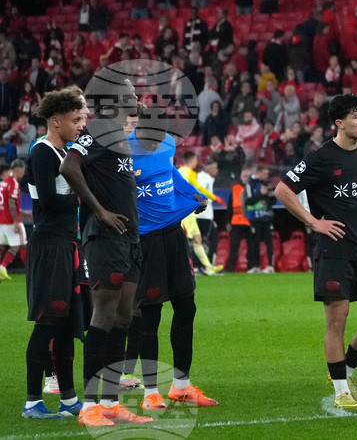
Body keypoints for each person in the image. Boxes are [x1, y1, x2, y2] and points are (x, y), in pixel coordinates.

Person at [276, 94, 357, 410]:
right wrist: (314, 222)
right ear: (339, 123)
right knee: (337, 321)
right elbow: (283, 190)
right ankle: (341, 390)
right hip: (333, 251)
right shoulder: (320, 157)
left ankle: (345, 372)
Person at [61, 69, 152, 426]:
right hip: (106, 237)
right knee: (104, 314)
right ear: (115, 98)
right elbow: (70, 167)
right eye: (129, 91)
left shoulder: (116, 132)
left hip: (129, 238)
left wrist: (136, 106)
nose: (136, 94)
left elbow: (138, 109)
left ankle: (112, 402)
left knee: (125, 317)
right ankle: (88, 405)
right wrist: (99, 211)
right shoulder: (98, 130)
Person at [126, 107, 217, 411]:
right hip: (145, 241)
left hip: (173, 235)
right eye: (153, 136)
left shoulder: (167, 144)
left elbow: (170, 174)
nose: (159, 141)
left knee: (186, 306)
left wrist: (193, 194)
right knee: (150, 315)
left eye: (162, 135)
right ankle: (150, 392)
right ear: (139, 130)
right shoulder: (123, 151)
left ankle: (181, 386)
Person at [21, 87, 87, 420]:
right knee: (47, 322)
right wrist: (85, 200)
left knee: (64, 326)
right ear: (57, 120)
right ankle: (33, 402)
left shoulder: (67, 153)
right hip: (49, 246)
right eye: (76, 119)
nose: (81, 124)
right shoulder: (43, 152)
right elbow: (46, 199)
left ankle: (69, 399)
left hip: (67, 244)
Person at [177, 151, 224, 275]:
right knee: (184, 241)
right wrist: (213, 197)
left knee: (197, 239)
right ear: (193, 160)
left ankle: (208, 267)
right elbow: (199, 188)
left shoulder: (178, 171)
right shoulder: (189, 172)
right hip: (186, 213)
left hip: (185, 211)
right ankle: (183, 269)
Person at [0, 159, 26, 280]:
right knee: (20, 244)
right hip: (11, 220)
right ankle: (3, 267)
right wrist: (16, 221)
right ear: (18, 170)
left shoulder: (4, 182)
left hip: (2, 219)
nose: (24, 173)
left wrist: (23, 212)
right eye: (23, 170)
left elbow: (7, 202)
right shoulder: (14, 183)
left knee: (2, 245)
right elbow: (11, 202)